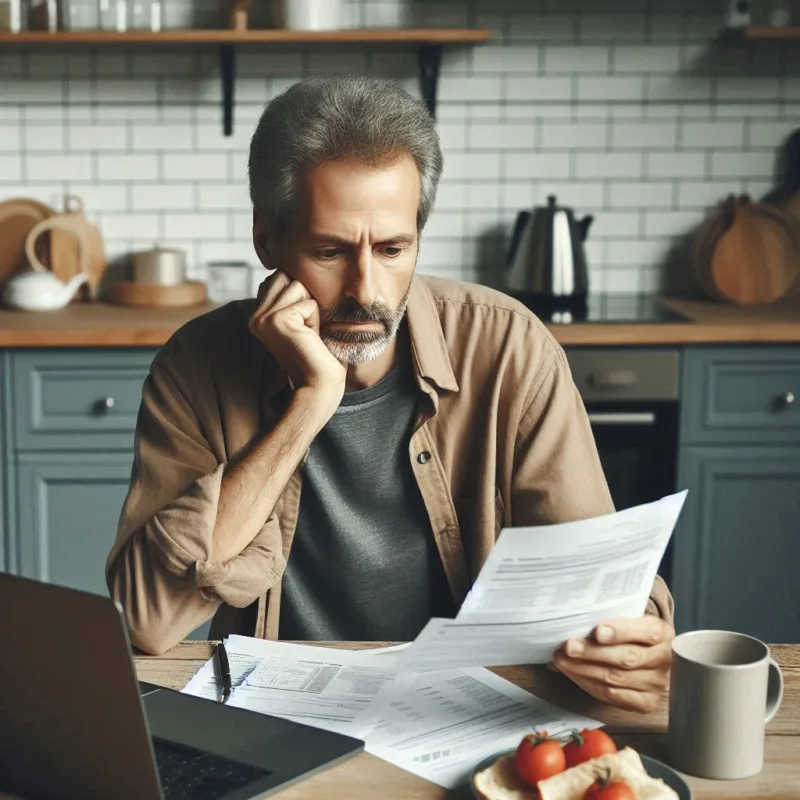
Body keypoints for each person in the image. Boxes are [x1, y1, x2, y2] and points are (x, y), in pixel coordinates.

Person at [107, 75, 674, 713]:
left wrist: (634, 641)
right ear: (267, 239)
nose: (366, 289)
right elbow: (146, 618)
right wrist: (311, 403)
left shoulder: (511, 348)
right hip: (273, 712)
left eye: (393, 248)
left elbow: (593, 582)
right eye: (330, 251)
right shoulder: (198, 364)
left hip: (467, 710)